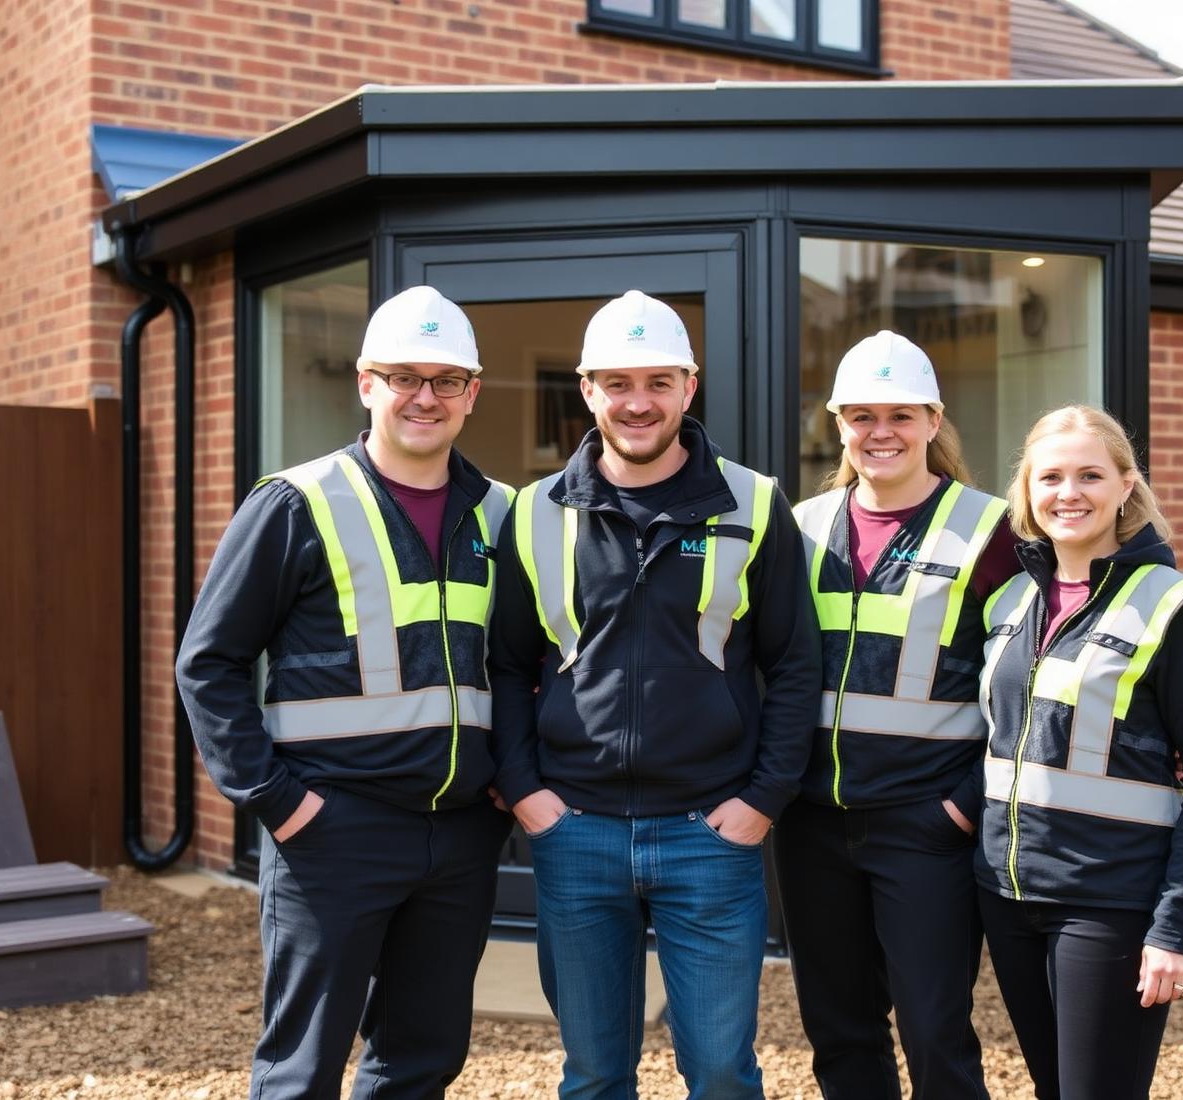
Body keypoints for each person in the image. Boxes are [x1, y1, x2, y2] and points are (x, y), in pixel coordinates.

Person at [175, 285, 515, 1100]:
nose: (423, 397)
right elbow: (209, 663)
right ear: (366, 383)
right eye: (404, 375)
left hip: (459, 837)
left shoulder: (502, 513)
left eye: (445, 379)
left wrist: (506, 783)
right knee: (303, 1070)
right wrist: (279, 803)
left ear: (472, 392)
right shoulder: (295, 503)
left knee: (422, 1061)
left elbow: (517, 667)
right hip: (334, 831)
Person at [489, 289, 821, 1100]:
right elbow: (502, 666)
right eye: (618, 382)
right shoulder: (533, 513)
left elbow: (794, 664)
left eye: (659, 381)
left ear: (689, 386)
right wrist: (528, 794)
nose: (638, 401)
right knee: (596, 1073)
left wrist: (763, 801)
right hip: (576, 834)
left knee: (719, 1072)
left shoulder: (754, 502)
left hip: (710, 833)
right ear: (587, 389)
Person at [976, 404, 1183, 1100]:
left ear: (1128, 486)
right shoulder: (1008, 601)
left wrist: (1177, 926)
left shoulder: (1174, 608)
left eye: (1091, 475)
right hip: (1009, 896)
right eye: (1052, 477)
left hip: (1110, 900)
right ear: (1027, 493)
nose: (1069, 493)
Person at [775, 331, 1017, 1100]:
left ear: (933, 419)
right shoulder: (801, 524)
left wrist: (965, 807)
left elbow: (1026, 683)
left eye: (901, 415)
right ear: (838, 422)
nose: (881, 432)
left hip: (926, 824)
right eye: (862, 416)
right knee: (840, 1032)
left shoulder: (992, 530)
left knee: (934, 1032)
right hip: (813, 823)